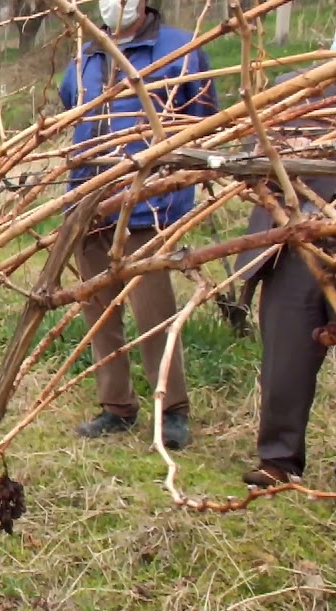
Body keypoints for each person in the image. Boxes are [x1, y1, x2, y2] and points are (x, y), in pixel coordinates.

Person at [58, 0, 218, 450]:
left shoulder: (182, 50)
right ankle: (116, 406)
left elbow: (205, 122)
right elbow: (74, 110)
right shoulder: (84, 58)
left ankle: (172, 409)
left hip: (150, 205)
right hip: (88, 204)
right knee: (99, 309)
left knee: (154, 310)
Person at [233, 40, 336, 488]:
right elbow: (252, 154)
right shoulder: (289, 91)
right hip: (292, 241)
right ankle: (279, 460)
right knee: (286, 356)